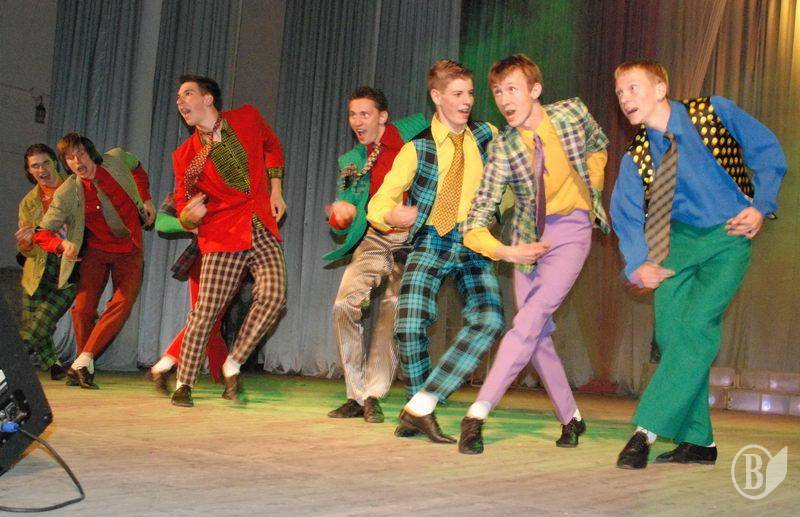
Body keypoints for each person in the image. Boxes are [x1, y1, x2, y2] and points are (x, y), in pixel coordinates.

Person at [610, 60, 787, 469]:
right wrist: (638, 264)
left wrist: (761, 206)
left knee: (696, 329)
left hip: (728, 235)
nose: (624, 98)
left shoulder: (711, 113)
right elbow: (626, 214)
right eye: (619, 92)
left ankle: (644, 432)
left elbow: (767, 150)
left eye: (633, 88)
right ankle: (699, 441)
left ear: (660, 88)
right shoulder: (636, 157)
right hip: (676, 245)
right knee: (672, 338)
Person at [457, 54, 610, 454]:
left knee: (527, 322)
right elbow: (475, 220)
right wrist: (506, 251)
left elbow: (598, 144)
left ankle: (477, 414)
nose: (504, 100)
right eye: (497, 92)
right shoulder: (503, 148)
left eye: (512, 89)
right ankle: (571, 417)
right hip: (527, 240)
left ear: (535, 90)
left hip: (572, 230)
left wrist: (591, 190)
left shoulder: (572, 113)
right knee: (536, 335)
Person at [367, 60, 504, 443]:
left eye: (470, 93)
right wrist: (390, 215)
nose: (466, 101)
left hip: (474, 239)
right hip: (432, 237)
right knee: (408, 325)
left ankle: (422, 403)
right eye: (457, 94)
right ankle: (418, 411)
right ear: (437, 96)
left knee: (490, 319)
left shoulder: (488, 135)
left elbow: (511, 176)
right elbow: (379, 203)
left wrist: (505, 209)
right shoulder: (418, 149)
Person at [170, 74, 287, 407]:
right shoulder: (185, 155)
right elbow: (181, 202)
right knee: (206, 310)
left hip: (260, 223)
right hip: (223, 234)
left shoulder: (246, 117)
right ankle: (184, 382)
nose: (180, 102)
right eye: (178, 98)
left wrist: (276, 189)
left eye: (187, 94)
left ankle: (233, 363)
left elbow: (272, 147)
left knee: (274, 296)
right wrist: (188, 216)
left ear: (208, 99)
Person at [325, 87, 428, 423]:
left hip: (412, 239)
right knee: (344, 304)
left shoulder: (415, 135)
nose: (357, 121)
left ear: (383, 116)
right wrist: (340, 216)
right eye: (352, 115)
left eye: (365, 114)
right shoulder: (353, 161)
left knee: (392, 308)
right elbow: (346, 209)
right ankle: (356, 395)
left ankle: (373, 394)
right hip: (376, 236)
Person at [34, 134, 155, 389]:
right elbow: (41, 233)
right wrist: (61, 245)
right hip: (96, 251)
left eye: (81, 154)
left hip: (130, 249)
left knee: (122, 303)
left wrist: (145, 199)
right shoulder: (68, 192)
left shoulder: (116, 159)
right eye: (70, 158)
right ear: (65, 164)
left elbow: (137, 168)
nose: (77, 162)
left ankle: (82, 362)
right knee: (82, 309)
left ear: (91, 153)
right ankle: (84, 363)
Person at [146, 193, 228, 394]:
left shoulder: (239, 188)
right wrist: (191, 225)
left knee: (211, 321)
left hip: (231, 259)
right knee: (207, 319)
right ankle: (164, 365)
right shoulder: (194, 188)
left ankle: (225, 375)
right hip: (206, 258)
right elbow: (162, 222)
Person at [16, 144, 76, 380]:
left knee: (42, 320)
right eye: (35, 166)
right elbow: (27, 250)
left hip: (68, 265)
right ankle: (53, 364)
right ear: (29, 171)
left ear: (55, 163)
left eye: (46, 163)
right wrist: (26, 243)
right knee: (34, 319)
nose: (42, 170)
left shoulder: (74, 188)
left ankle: (12, 358)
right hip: (37, 267)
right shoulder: (28, 202)